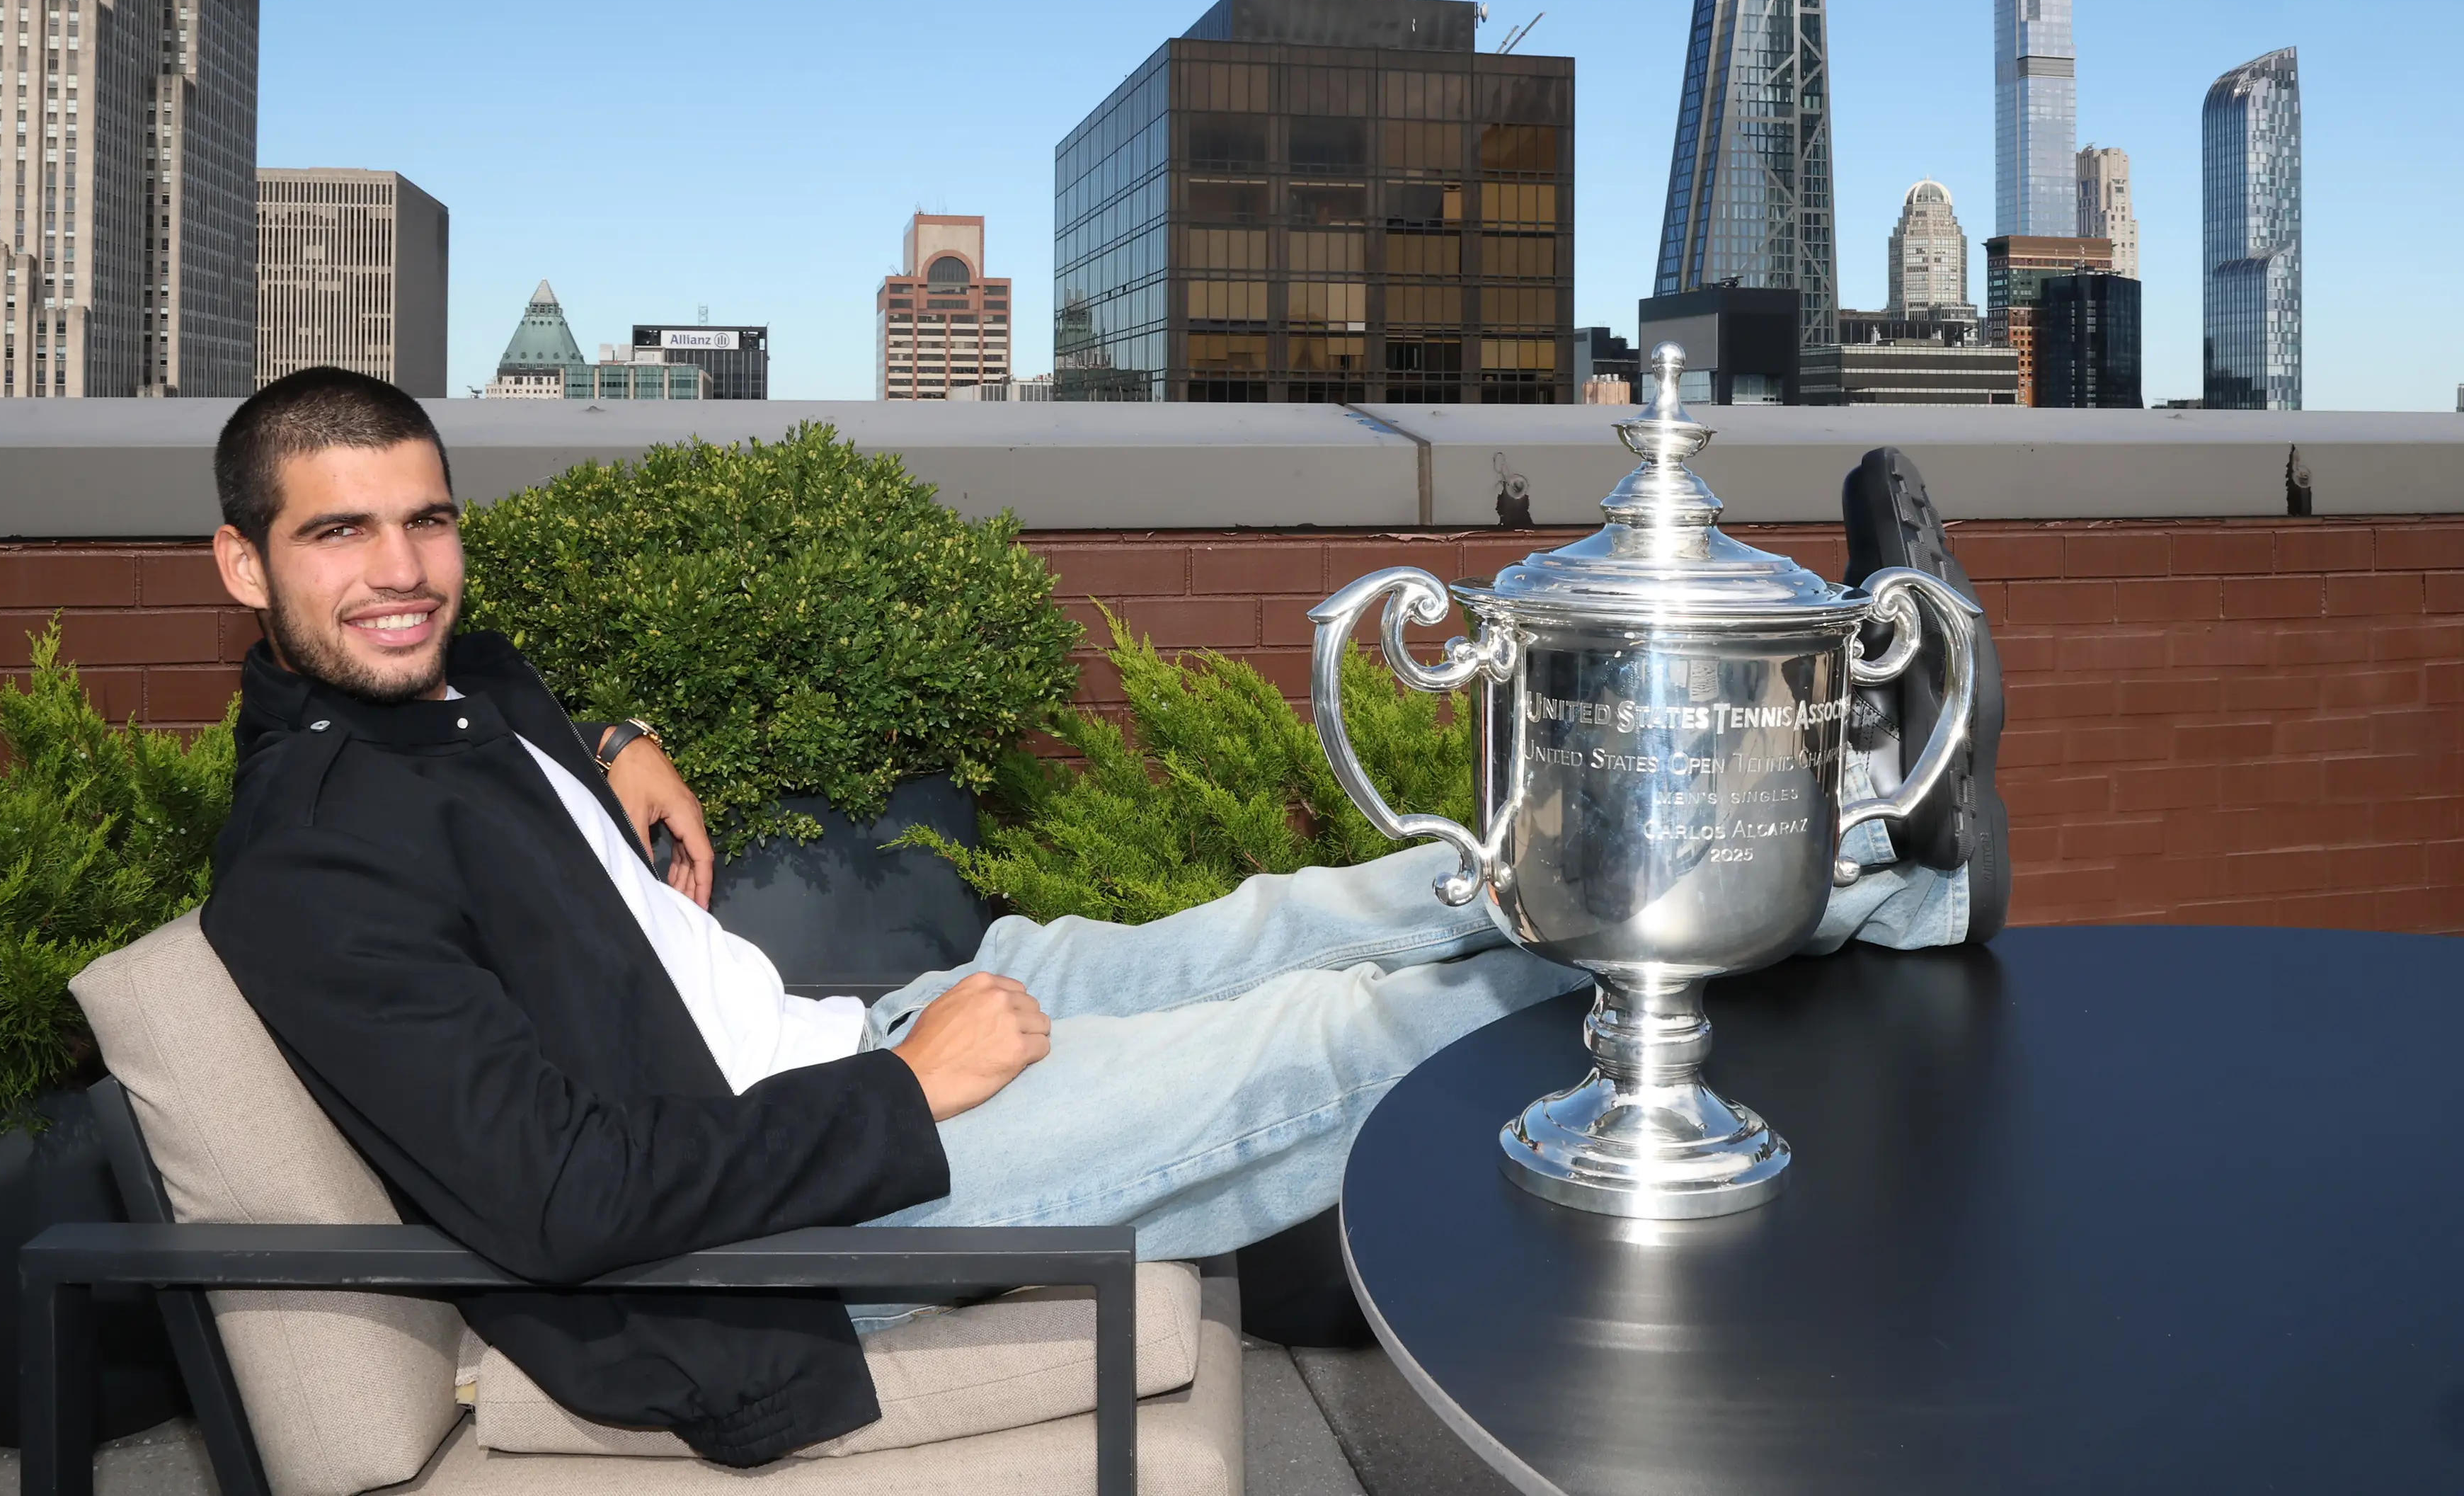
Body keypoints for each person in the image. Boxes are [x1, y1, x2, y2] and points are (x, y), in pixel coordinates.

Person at [200, 367, 1995, 1468]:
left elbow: (493, 674)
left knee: (1339, 903)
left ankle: (1879, 856)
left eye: (425, 523)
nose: (404, 572)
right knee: (1335, 1035)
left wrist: (617, 740)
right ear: (241, 562)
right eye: (340, 538)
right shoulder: (309, 863)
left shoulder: (433, 685)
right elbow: (558, 1197)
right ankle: (1872, 850)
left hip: (847, 1040)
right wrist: (917, 1095)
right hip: (803, 1211)